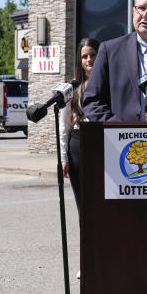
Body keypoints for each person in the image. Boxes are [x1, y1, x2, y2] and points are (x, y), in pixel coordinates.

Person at [61, 37, 100, 206]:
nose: (89, 59)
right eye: (85, 56)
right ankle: (85, 232)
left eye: (93, 55)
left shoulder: (110, 84)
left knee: (102, 197)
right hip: (77, 144)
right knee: (83, 201)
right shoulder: (73, 89)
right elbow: (65, 125)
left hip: (102, 143)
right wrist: (64, 158)